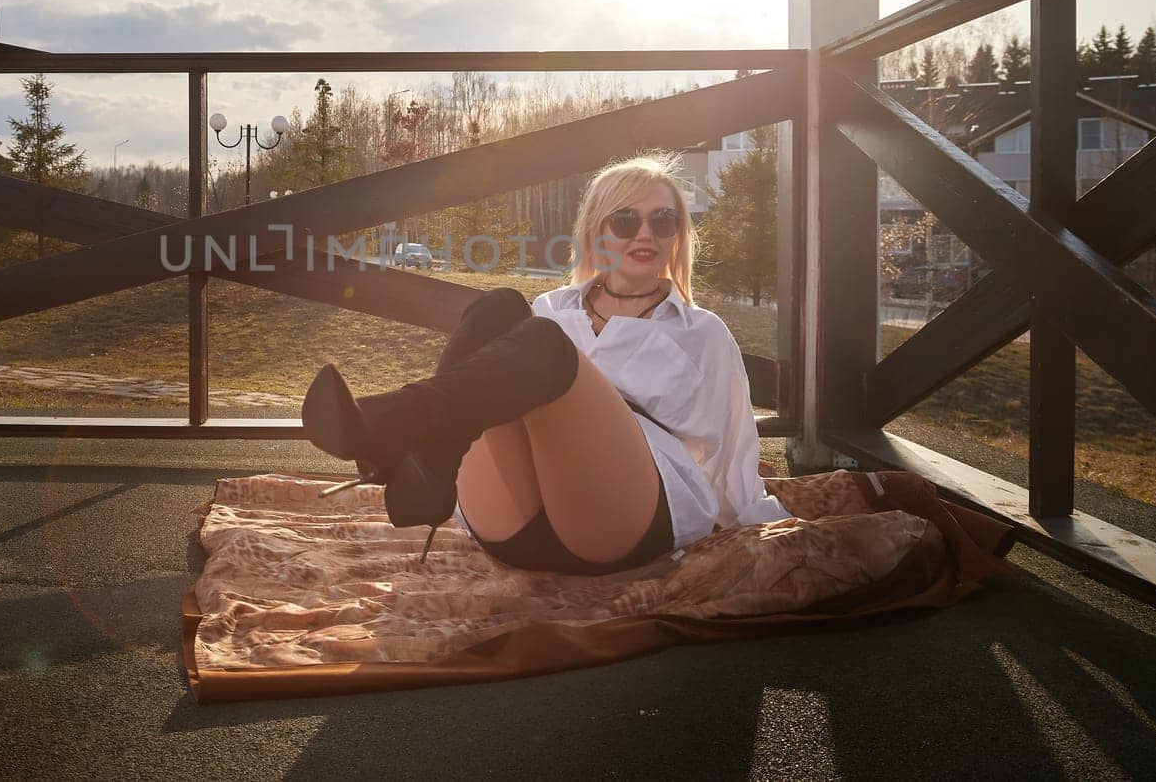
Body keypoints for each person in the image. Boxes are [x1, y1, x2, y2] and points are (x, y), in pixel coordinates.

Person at [300, 151, 792, 574]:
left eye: (663, 221)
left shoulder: (701, 331)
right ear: (597, 231)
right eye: (626, 220)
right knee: (500, 308)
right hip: (517, 526)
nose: (646, 232)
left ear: (678, 235)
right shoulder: (552, 308)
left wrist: (753, 523)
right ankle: (429, 460)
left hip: (621, 523)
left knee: (546, 343)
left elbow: (732, 442)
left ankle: (400, 428)